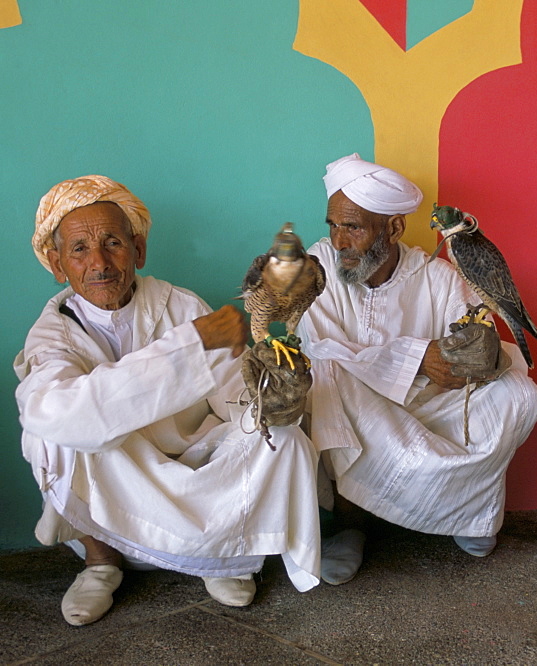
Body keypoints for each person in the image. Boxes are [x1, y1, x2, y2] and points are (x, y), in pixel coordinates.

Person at [14, 175, 321, 626]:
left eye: (113, 242)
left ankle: (226, 559)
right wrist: (190, 348)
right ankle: (101, 563)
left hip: (195, 464)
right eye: (79, 249)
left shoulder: (181, 305)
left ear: (138, 251)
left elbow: (234, 396)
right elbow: (59, 413)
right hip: (115, 474)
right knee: (49, 432)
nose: (99, 262)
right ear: (57, 264)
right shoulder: (52, 332)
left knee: (281, 436)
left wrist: (268, 402)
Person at [298, 154, 537, 585]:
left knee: (520, 395)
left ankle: (466, 515)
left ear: (393, 229)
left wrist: (475, 355)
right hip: (355, 407)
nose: (339, 241)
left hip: (427, 407)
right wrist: (416, 357)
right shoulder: (316, 267)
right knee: (322, 376)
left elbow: (475, 330)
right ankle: (346, 523)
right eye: (333, 225)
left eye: (353, 227)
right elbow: (319, 347)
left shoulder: (437, 275)